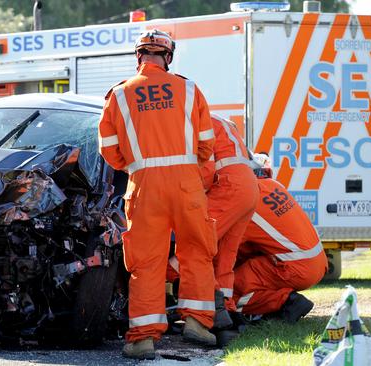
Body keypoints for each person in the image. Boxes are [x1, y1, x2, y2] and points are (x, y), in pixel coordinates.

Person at [98, 29, 217, 359]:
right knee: (197, 250)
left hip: (144, 183)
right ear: (168, 57)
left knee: (146, 260)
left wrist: (136, 165)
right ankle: (197, 322)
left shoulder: (120, 95)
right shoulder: (189, 89)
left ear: (138, 56)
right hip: (186, 181)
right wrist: (187, 165)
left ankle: (143, 338)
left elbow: (109, 151)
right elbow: (207, 143)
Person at [232, 154, 327, 322]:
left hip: (294, 266)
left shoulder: (245, 201)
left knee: (230, 291)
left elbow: (219, 248)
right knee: (245, 272)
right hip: (314, 261)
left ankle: (286, 303)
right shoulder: (271, 185)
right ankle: (277, 306)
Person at [200, 115, 259, 329]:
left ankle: (215, 307)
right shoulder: (221, 120)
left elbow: (206, 170)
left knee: (198, 245)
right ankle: (228, 313)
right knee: (226, 254)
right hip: (249, 187)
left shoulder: (198, 121)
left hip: (227, 186)